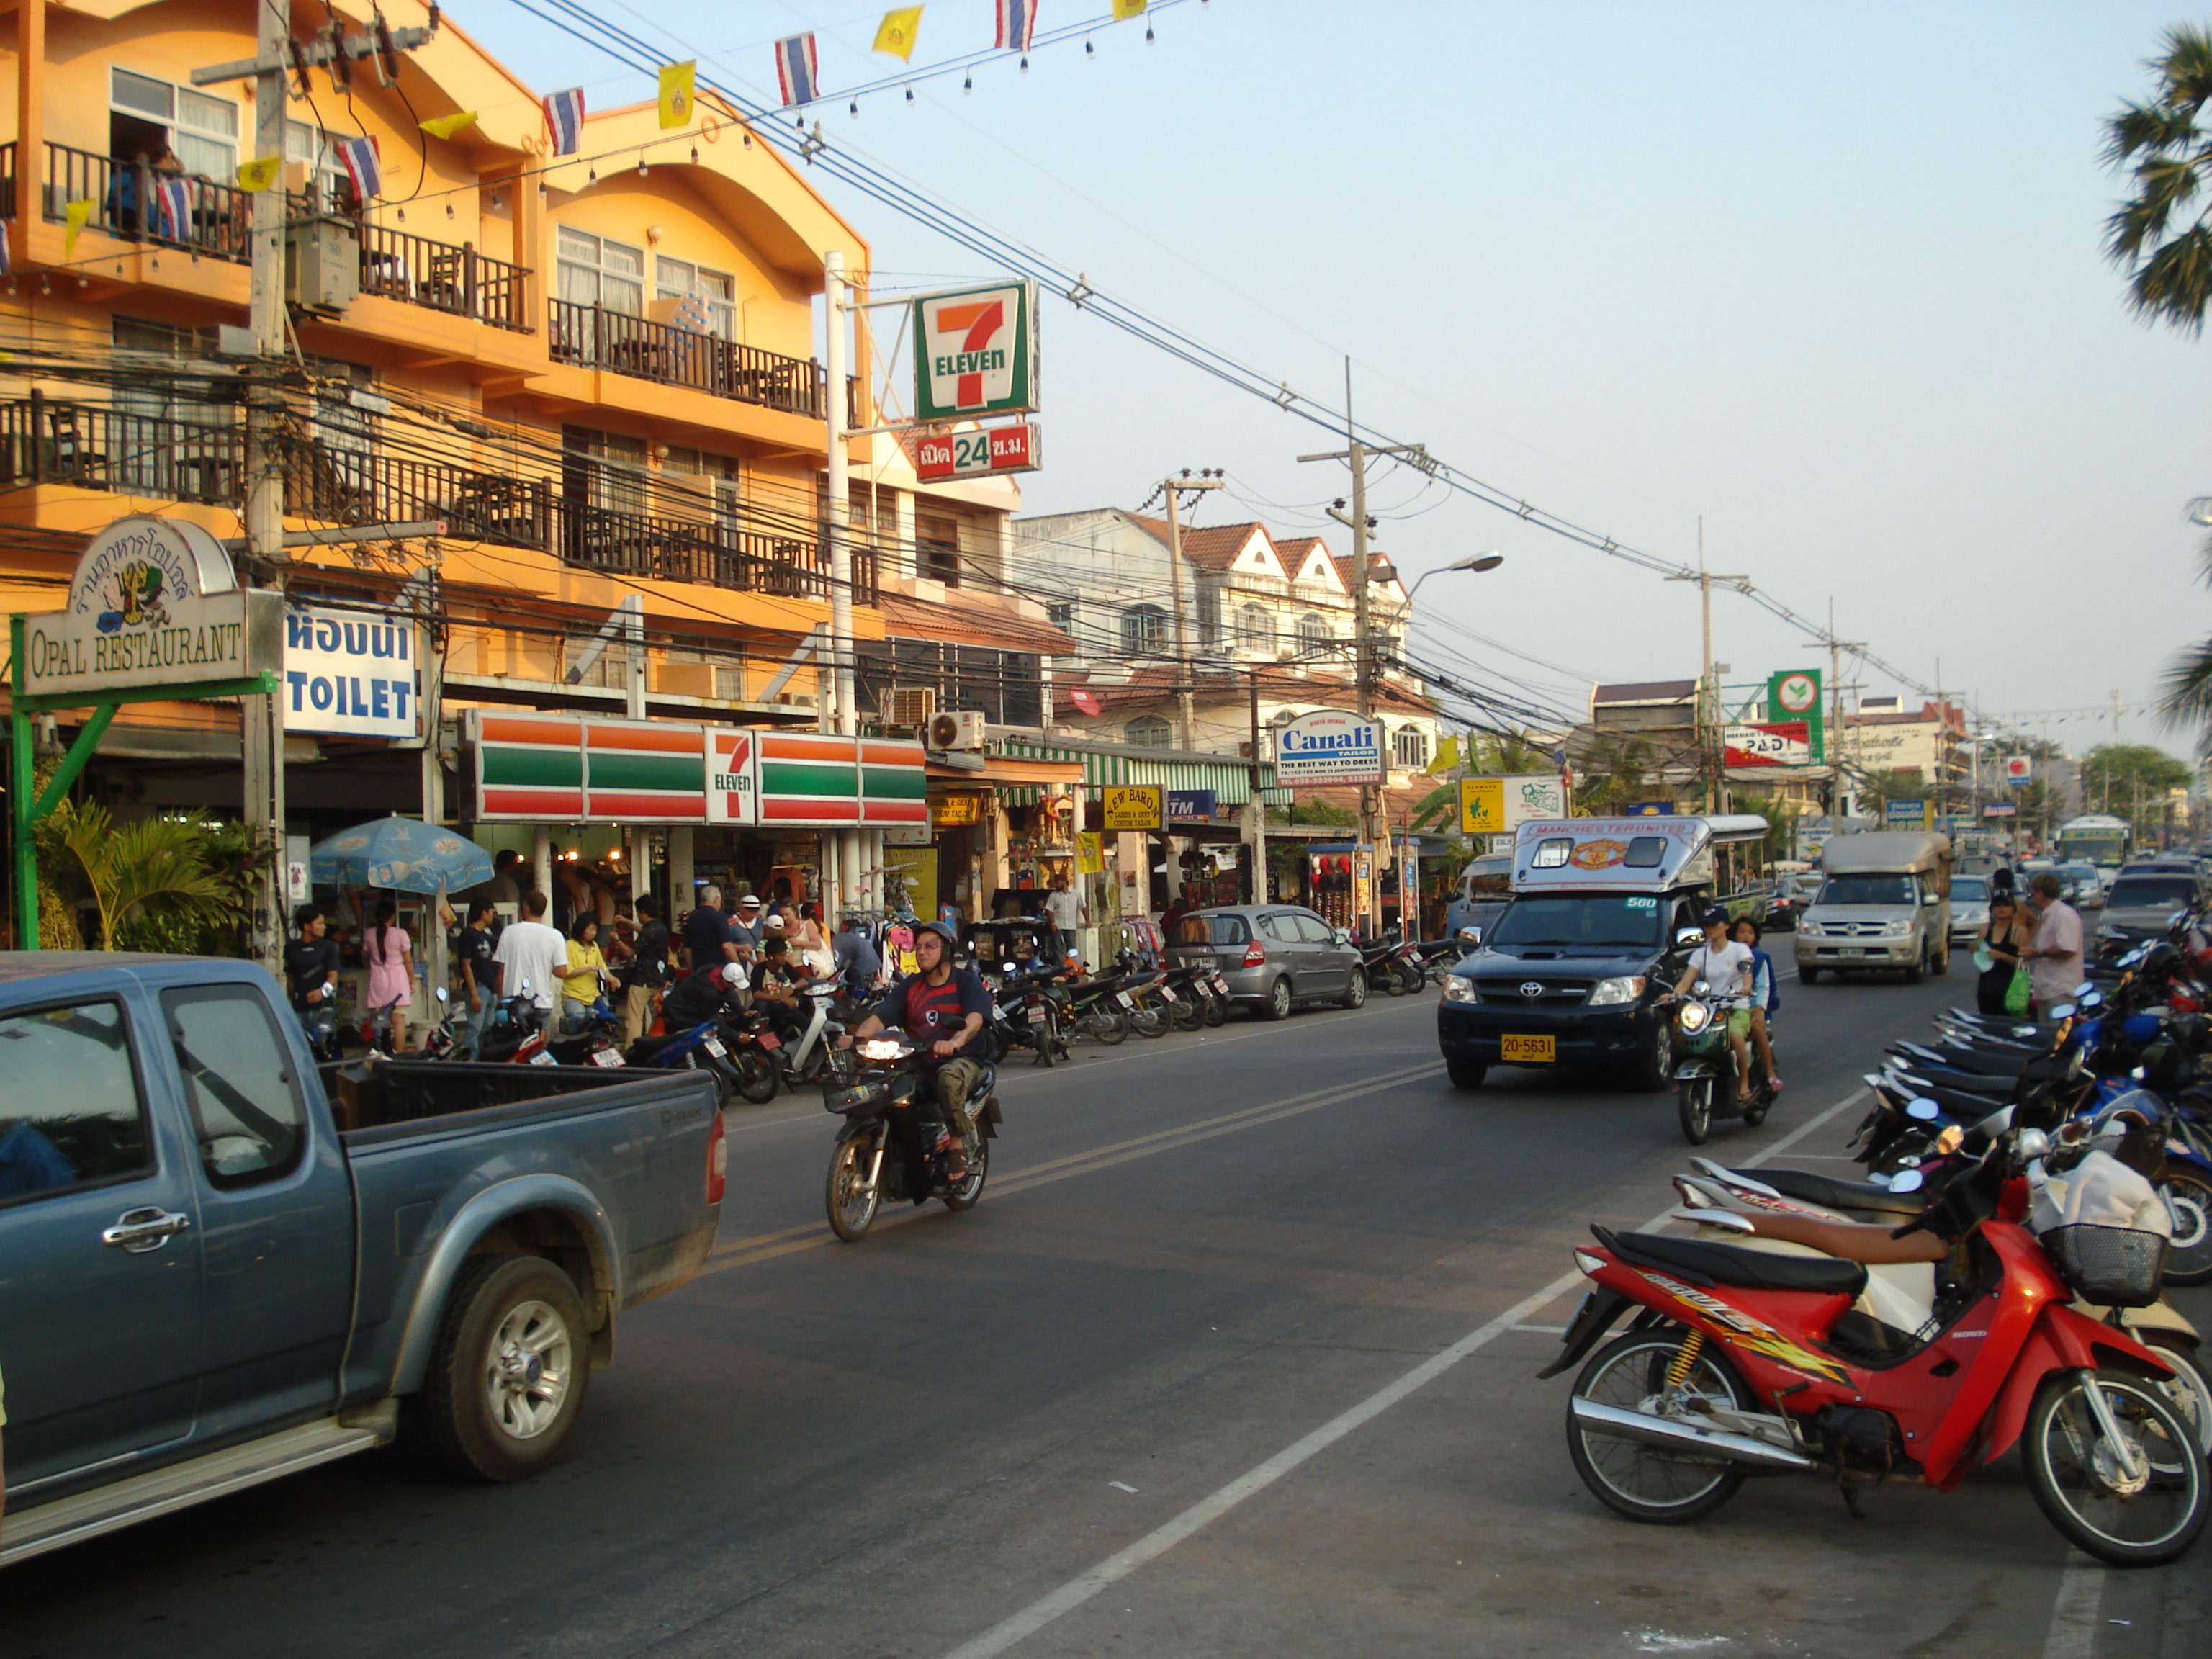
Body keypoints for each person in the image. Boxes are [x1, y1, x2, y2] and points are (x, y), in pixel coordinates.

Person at [837, 920, 991, 1179]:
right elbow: (881, 1017)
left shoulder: (965, 983)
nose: (922, 952)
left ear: (946, 951)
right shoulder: (910, 986)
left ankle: (956, 1146)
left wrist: (955, 1042)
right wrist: (856, 1038)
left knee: (948, 1078)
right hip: (917, 1060)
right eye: (917, 947)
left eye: (930, 946)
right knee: (872, 1083)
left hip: (961, 1059)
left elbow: (975, 1019)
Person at [1673, 905, 1756, 1105]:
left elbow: (1747, 975)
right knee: (1682, 1031)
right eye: (1705, 925)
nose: (1709, 929)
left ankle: (1743, 1082)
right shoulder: (1700, 955)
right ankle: (1683, 1075)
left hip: (1736, 1007)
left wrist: (1745, 987)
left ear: (1726, 925)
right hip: (1709, 1009)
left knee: (1735, 1036)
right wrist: (1672, 995)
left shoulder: (1739, 950)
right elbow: (1686, 982)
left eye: (1713, 925)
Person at [1728, 916, 1784, 1094]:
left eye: (1750, 933)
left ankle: (1770, 1073)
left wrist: (1759, 1010)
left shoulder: (1758, 958)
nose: (1745, 936)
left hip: (1753, 1006)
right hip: (1727, 1005)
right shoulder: (1724, 954)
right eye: (1742, 932)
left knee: (1758, 1027)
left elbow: (1763, 986)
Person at [493, 890, 565, 1015]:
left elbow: (501, 970)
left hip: (512, 1001)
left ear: (525, 908)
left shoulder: (508, 932)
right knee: (540, 1034)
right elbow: (561, 972)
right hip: (541, 1001)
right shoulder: (555, 936)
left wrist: (500, 999)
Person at [2023, 871, 2084, 1020]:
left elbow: (2068, 950)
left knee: (2057, 1035)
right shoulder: (2048, 915)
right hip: (2047, 988)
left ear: (2040, 893)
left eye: (2033, 894)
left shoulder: (2063, 915)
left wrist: (2038, 953)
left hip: (2061, 989)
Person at [1975, 891, 2037, 1015]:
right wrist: (1974, 948)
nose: (2001, 908)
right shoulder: (1984, 930)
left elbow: (2023, 963)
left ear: (2013, 910)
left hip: (2011, 986)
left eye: (2006, 905)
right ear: (1992, 909)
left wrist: (2003, 956)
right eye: (1997, 905)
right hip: (1987, 985)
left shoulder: (2019, 931)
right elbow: (1979, 956)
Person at [361, 899, 413, 1050]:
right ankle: (398, 1057)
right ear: (392, 916)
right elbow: (408, 961)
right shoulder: (401, 934)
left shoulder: (369, 934)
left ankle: (380, 1052)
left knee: (378, 1020)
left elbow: (365, 954)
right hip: (398, 979)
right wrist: (412, 981)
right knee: (398, 1021)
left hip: (378, 979)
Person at [623, 894, 673, 1046]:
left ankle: (632, 1047)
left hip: (643, 980)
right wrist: (630, 924)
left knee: (634, 1017)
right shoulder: (661, 928)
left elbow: (630, 953)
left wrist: (617, 940)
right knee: (654, 1016)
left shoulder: (648, 931)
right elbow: (646, 933)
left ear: (643, 912)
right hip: (659, 978)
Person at [454, 897, 498, 1053]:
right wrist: (474, 994)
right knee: (475, 1026)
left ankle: (480, 1057)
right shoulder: (468, 935)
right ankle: (467, 1058)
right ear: (483, 913)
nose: (493, 916)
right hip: (478, 986)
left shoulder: (484, 935)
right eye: (491, 912)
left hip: (490, 986)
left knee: (487, 1026)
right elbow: (466, 965)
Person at [284, 902, 341, 1017]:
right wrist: (295, 998)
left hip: (323, 1009)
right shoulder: (291, 948)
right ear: (306, 926)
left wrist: (322, 993)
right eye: (320, 923)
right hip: (299, 1009)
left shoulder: (328, 947)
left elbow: (333, 978)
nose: (324, 927)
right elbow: (290, 979)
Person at [561, 914, 610, 1030]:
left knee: (596, 1029)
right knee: (578, 1028)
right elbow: (567, 972)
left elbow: (603, 969)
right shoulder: (570, 946)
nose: (593, 933)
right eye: (591, 929)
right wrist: (589, 968)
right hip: (573, 997)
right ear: (581, 929)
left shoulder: (594, 946)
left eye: (595, 930)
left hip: (593, 997)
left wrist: (613, 979)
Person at [833, 914, 884, 990]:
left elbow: (838, 963)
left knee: (854, 990)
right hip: (873, 960)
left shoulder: (834, 942)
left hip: (863, 963)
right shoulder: (841, 937)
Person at [1045, 873, 1086, 961]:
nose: (1056, 885)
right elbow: (1049, 910)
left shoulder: (1076, 893)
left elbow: (1083, 907)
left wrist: (1088, 920)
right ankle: (1060, 968)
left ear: (1064, 882)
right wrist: (1053, 923)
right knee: (1058, 948)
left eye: (1057, 883)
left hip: (1071, 926)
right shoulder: (1054, 895)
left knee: (1072, 949)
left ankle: (1072, 967)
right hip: (1058, 926)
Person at [792, 902, 837, 980]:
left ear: (802, 915)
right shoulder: (824, 926)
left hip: (815, 963)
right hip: (828, 959)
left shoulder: (807, 925)